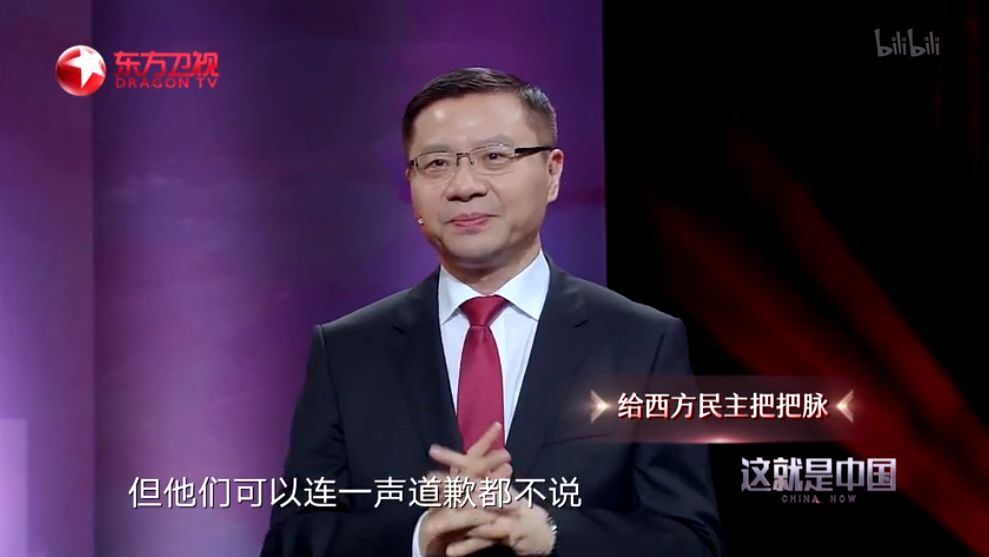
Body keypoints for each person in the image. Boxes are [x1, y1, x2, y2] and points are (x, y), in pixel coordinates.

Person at [260, 67, 723, 557]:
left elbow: (690, 541)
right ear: (411, 182)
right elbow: (291, 541)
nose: (464, 186)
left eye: (495, 157)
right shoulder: (347, 351)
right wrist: (419, 536)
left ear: (552, 172)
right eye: (436, 163)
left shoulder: (642, 342)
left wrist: (551, 534)